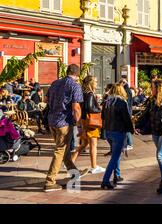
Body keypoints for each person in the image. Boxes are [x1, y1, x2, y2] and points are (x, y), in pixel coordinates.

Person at [44, 64, 89, 192]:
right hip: (64, 122)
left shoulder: (55, 83)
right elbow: (76, 108)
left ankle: (74, 173)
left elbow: (46, 99)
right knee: (60, 151)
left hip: (52, 121)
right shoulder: (75, 86)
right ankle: (50, 181)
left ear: (67, 71)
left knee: (64, 150)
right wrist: (79, 126)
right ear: (77, 74)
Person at [100, 83, 134, 190]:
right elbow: (127, 118)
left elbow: (102, 116)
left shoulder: (107, 102)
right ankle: (105, 180)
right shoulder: (121, 102)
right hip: (118, 131)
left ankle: (117, 175)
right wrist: (131, 130)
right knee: (114, 157)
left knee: (116, 154)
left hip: (108, 131)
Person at [71, 76, 105, 174]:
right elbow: (89, 108)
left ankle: (70, 162)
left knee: (84, 144)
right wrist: (99, 109)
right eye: (95, 81)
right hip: (91, 122)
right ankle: (94, 166)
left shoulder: (83, 93)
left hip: (85, 120)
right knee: (93, 144)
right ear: (90, 83)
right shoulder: (90, 94)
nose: (97, 83)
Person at [119, 78, 134, 151]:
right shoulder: (128, 90)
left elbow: (126, 102)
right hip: (129, 111)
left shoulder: (126, 91)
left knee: (127, 128)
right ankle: (128, 143)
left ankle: (130, 143)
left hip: (127, 111)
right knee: (126, 128)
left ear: (123, 83)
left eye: (120, 83)